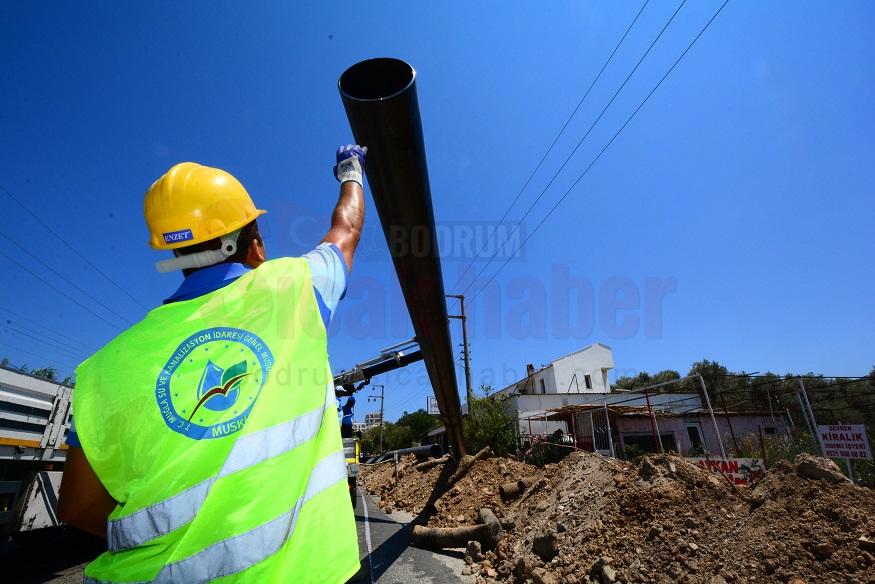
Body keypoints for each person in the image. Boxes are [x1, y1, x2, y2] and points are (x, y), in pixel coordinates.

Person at [57, 145, 368, 584]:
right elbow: (346, 230)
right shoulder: (294, 288)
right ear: (254, 245)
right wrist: (350, 173)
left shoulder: (104, 368)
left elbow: (77, 506)